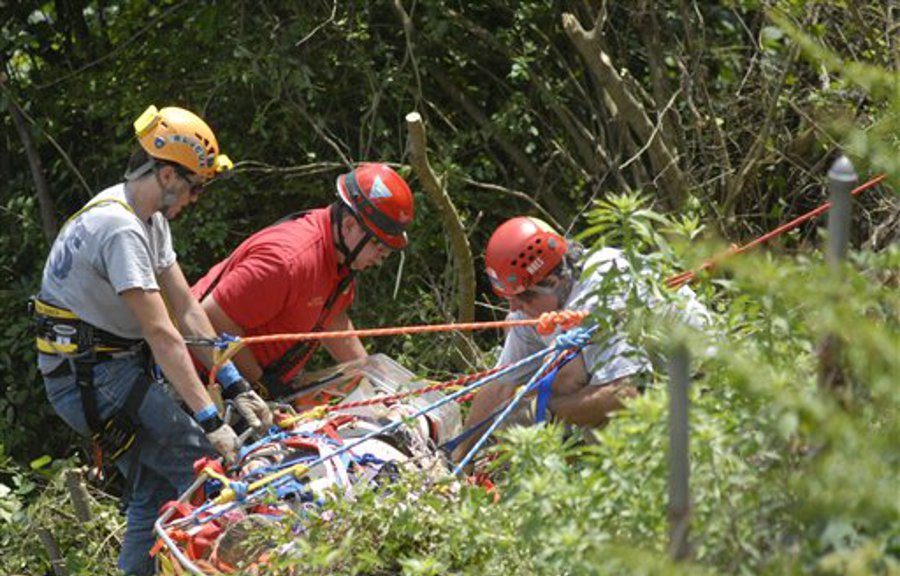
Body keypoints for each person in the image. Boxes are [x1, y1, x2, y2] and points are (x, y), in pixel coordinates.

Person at [35, 105, 272, 576]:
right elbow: (163, 333)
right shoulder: (120, 228)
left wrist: (233, 382)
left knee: (157, 483)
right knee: (200, 465)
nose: (196, 199)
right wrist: (209, 419)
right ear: (167, 175)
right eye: (195, 186)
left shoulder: (147, 220)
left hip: (103, 368)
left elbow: (187, 310)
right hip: (92, 377)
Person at [454, 216, 708, 461]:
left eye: (521, 298)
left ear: (552, 282)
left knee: (565, 377)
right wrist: (458, 457)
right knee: (545, 389)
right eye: (509, 300)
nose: (514, 309)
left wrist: (546, 412)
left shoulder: (601, 288)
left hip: (700, 381)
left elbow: (624, 393)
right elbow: (498, 386)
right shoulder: (533, 308)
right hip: (657, 385)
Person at [190, 162, 414, 399]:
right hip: (193, 381)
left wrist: (372, 378)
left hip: (248, 386)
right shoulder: (287, 261)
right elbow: (213, 317)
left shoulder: (341, 260)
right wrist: (260, 382)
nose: (381, 258)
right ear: (349, 225)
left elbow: (332, 318)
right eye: (378, 245)